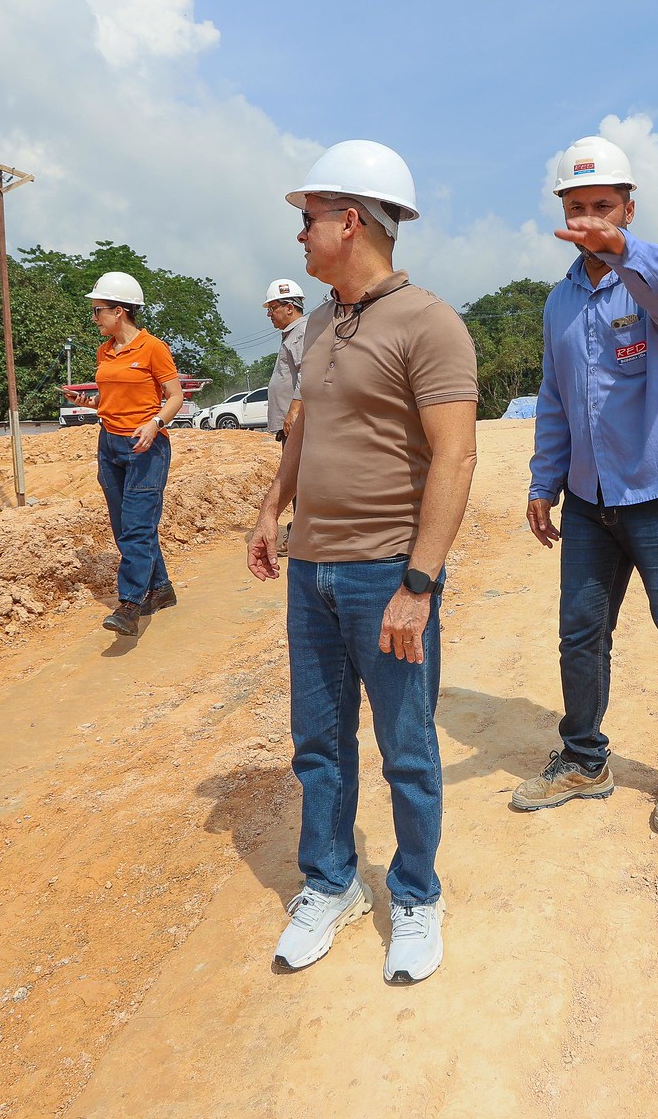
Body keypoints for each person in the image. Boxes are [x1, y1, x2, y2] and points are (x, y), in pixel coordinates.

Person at [248, 140, 479, 985]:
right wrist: (274, 508)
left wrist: (419, 582)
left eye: (308, 220)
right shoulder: (317, 324)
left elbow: (454, 459)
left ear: (351, 221)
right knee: (320, 740)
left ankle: (415, 893)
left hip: (388, 571)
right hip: (313, 572)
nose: (299, 236)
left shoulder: (429, 323)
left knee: (406, 743)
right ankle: (332, 881)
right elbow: (303, 427)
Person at [513, 134, 658, 835]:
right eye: (578, 208)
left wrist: (626, 252)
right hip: (590, 499)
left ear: (629, 208)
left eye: (604, 205)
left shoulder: (657, 276)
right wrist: (545, 481)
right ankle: (583, 758)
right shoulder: (560, 303)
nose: (591, 219)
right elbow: (553, 396)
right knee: (580, 632)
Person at [90, 270, 185, 636]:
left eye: (98, 310)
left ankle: (130, 604)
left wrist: (155, 424)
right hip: (110, 443)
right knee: (124, 527)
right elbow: (112, 396)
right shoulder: (104, 351)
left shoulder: (153, 348)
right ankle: (160, 589)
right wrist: (90, 401)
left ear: (120, 311)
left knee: (136, 527)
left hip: (146, 447)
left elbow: (175, 396)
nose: (95, 317)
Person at [263, 277, 308, 443]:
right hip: (291, 423)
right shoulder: (292, 334)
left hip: (296, 422)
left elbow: (307, 372)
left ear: (289, 308)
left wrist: (294, 410)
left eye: (272, 308)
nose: (269, 314)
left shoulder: (301, 332)